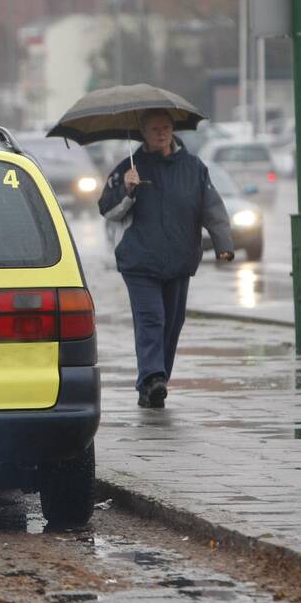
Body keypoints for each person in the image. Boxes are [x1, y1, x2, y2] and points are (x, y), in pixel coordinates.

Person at [98, 109, 235, 408]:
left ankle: (156, 384)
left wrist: (224, 243)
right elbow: (108, 210)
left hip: (179, 260)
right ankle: (151, 377)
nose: (162, 133)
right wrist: (127, 189)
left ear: (174, 130)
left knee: (172, 323)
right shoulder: (129, 169)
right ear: (143, 133)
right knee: (152, 319)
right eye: (155, 128)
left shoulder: (194, 168)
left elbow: (212, 208)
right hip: (140, 261)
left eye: (166, 127)